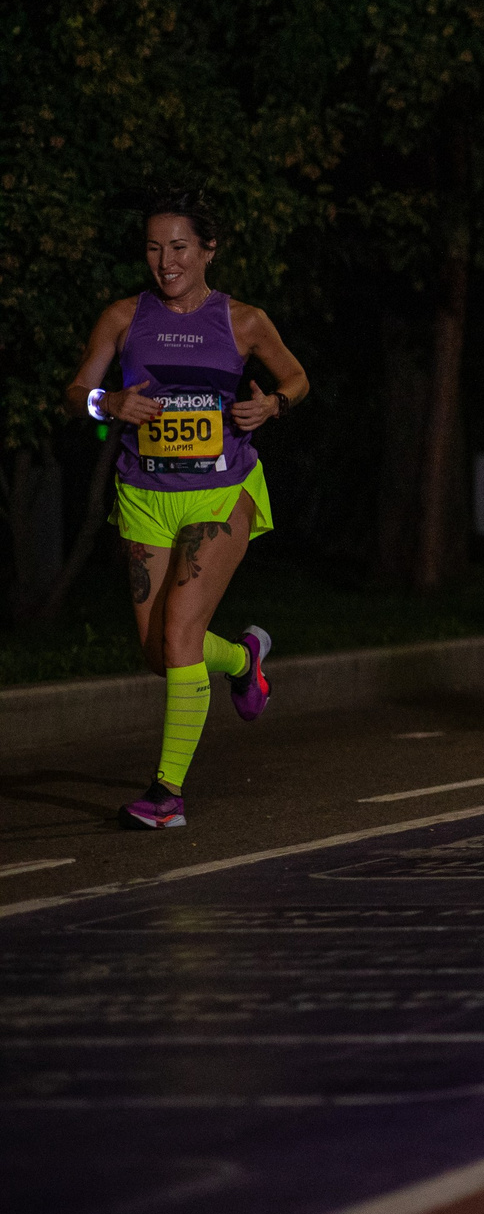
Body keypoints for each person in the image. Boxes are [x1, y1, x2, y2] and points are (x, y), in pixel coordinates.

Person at [65, 193, 309, 830]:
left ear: (207, 250)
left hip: (221, 491)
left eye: (178, 247)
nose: (164, 261)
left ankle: (166, 795)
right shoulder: (123, 316)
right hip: (144, 495)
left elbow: (296, 378)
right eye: (153, 247)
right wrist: (107, 403)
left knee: (179, 638)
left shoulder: (244, 321)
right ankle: (242, 662)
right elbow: (76, 391)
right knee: (161, 653)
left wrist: (271, 407)